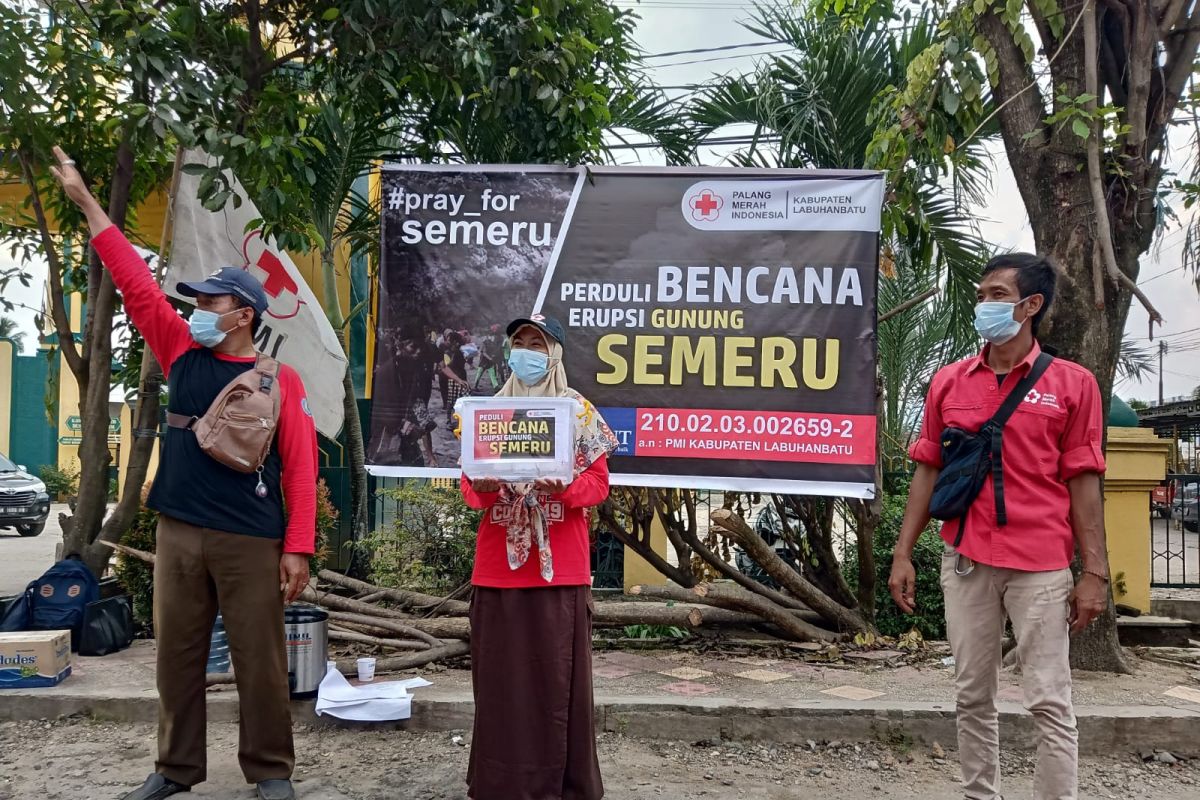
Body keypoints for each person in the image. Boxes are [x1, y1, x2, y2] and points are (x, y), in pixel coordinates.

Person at [50, 147, 316, 800]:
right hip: (179, 535)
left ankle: (270, 769)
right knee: (177, 660)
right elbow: (135, 285)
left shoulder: (282, 382)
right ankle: (175, 768)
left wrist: (299, 547)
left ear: (243, 313)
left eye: (211, 299)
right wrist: (87, 202)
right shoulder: (178, 351)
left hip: (251, 539)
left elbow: (303, 471)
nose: (197, 306)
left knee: (260, 661)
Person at [889, 254, 1109, 800]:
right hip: (965, 560)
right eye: (982, 294)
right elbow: (927, 470)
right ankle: (979, 794)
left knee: (1049, 701)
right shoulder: (948, 383)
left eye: (995, 294)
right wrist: (903, 553)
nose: (982, 304)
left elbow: (1084, 482)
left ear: (1030, 305)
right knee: (971, 696)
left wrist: (1095, 574)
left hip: (1041, 566)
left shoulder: (1072, 385)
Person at [460, 315, 618, 800]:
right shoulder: (488, 413)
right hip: (498, 567)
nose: (526, 352)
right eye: (518, 342)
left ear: (555, 354)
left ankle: (563, 784)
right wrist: (484, 487)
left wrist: (567, 488)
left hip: (560, 568)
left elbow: (599, 483)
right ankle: (499, 782)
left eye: (538, 343)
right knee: (501, 683)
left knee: (556, 681)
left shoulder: (576, 411)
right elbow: (470, 488)